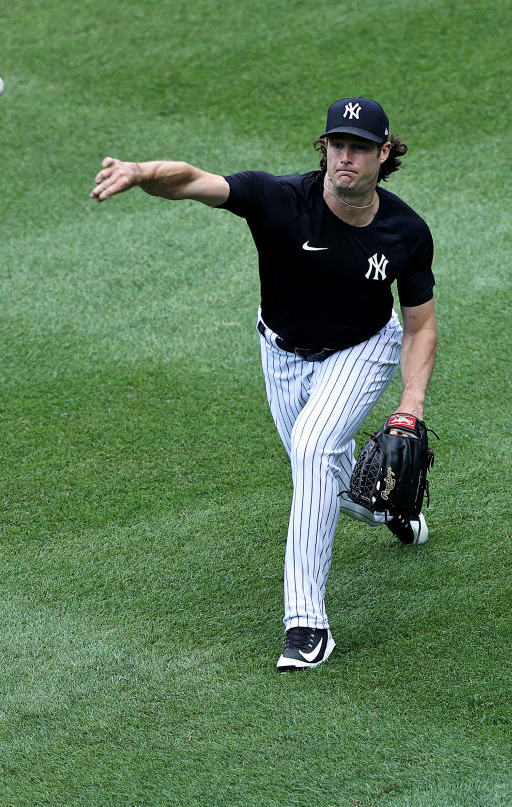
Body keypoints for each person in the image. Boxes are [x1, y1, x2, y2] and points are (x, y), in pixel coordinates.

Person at [91, 97, 437, 672]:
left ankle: (307, 624)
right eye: (336, 145)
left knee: (312, 447)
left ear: (383, 154)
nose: (344, 157)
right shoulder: (280, 200)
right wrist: (141, 173)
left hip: (363, 349)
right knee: (321, 474)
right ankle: (385, 509)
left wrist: (410, 403)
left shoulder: (405, 231)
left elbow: (421, 324)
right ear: (324, 148)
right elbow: (195, 181)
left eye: (357, 148)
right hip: (280, 353)